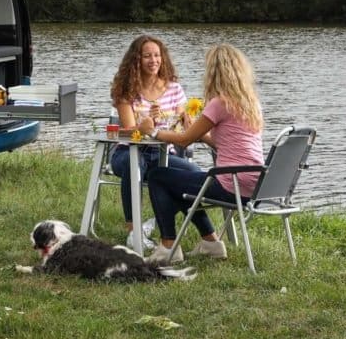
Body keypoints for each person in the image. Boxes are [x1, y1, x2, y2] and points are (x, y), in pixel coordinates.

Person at [139, 43, 264, 264]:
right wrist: (194, 129)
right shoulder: (250, 102)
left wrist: (154, 131)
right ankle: (210, 243)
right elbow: (221, 142)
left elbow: (184, 141)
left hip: (231, 184)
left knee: (158, 176)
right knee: (181, 183)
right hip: (256, 185)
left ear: (214, 72)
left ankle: (168, 247)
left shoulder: (219, 103)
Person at [109, 35, 204, 251]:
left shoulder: (174, 89)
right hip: (128, 152)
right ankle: (133, 232)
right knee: (137, 167)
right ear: (136, 60)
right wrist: (140, 129)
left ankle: (206, 236)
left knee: (193, 172)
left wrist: (185, 120)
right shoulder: (126, 90)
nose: (153, 60)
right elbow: (126, 132)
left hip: (163, 154)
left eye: (157, 55)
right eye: (147, 56)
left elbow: (181, 125)